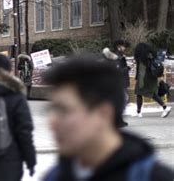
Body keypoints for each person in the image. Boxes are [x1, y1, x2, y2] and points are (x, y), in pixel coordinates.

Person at [42, 54, 173, 181]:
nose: (52, 122)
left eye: (64, 110)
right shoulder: (54, 176)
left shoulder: (153, 177)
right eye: (51, 109)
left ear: (103, 113)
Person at [133, 43, 171, 118]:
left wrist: (137, 78)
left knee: (139, 93)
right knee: (153, 94)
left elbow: (140, 70)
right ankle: (164, 107)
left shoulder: (141, 58)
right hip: (153, 78)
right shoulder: (152, 55)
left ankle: (139, 112)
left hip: (143, 78)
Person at [103, 40, 131, 127]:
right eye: (123, 46)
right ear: (118, 47)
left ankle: (118, 120)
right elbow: (117, 70)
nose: (124, 48)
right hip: (119, 82)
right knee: (122, 101)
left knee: (122, 101)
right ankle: (116, 120)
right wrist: (127, 69)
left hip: (121, 81)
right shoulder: (116, 57)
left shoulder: (120, 56)